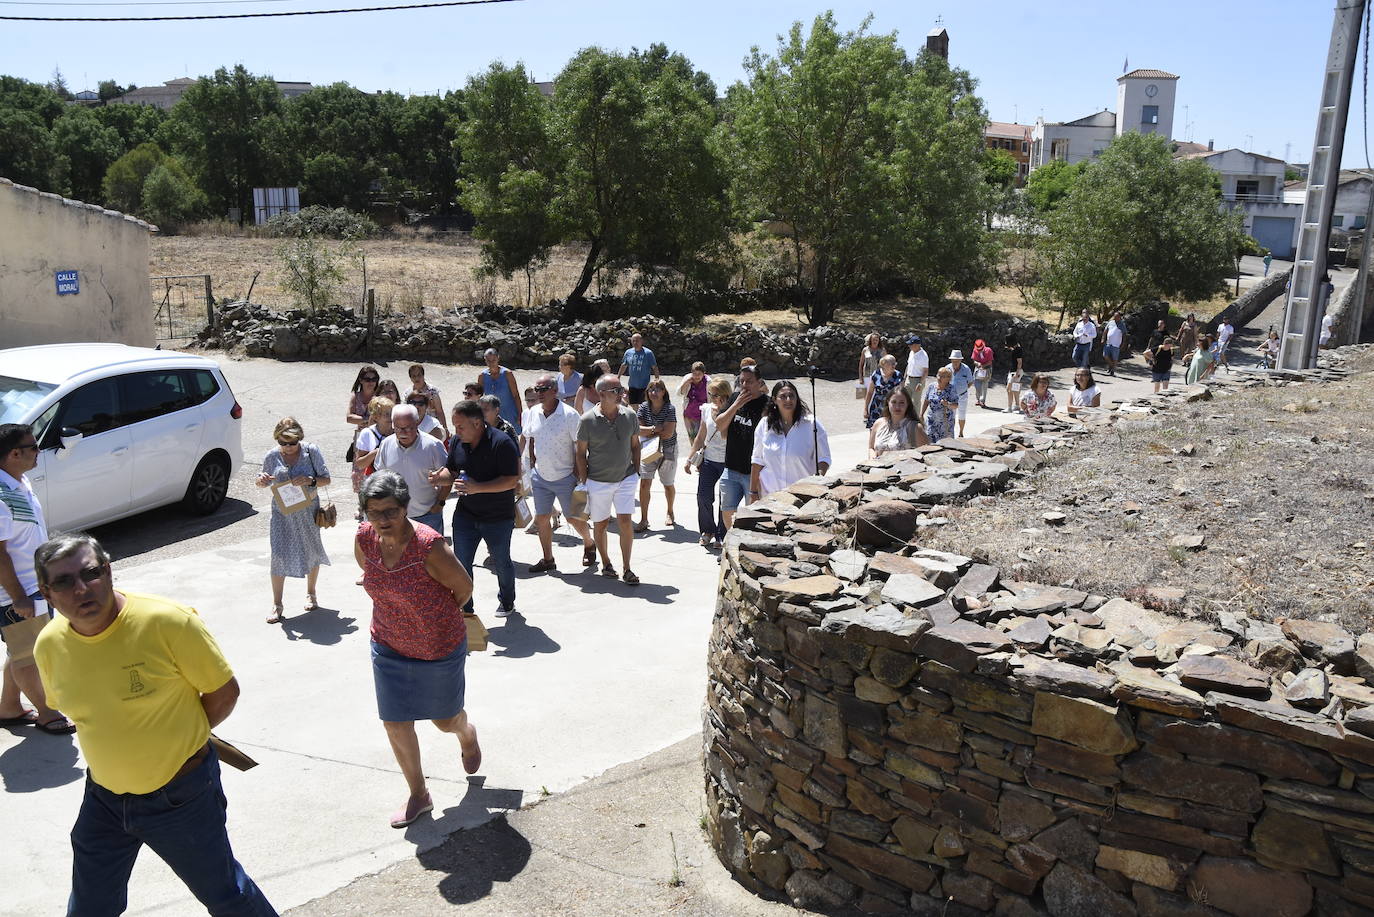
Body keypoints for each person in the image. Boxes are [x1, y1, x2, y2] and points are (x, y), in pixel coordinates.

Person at [33, 533, 278, 915]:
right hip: (104, 797)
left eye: (90, 573)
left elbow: (223, 692)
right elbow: (82, 714)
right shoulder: (48, 646)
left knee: (228, 897)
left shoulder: (168, 622)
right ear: (47, 594)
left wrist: (178, 742)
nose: (82, 589)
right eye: (64, 582)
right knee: (90, 907)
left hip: (179, 796)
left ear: (109, 571)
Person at [354, 473, 482, 829]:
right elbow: (369, 574)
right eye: (373, 511)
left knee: (444, 721)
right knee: (395, 723)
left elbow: (463, 588)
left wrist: (431, 616)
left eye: (390, 511)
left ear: (406, 507)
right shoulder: (365, 538)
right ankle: (419, 794)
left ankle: (466, 733)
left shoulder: (429, 546)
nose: (381, 519)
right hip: (388, 643)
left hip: (437, 645)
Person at [0, 424, 73, 735]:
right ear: (14, 454)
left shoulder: (18, 481)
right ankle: (46, 712)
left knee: (22, 650)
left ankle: (9, 707)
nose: (39, 451)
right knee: (29, 655)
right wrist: (18, 597)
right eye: (33, 447)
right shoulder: (1, 495)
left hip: (33, 587)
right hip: (15, 592)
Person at [428, 400, 520, 617]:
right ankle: (466, 608)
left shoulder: (502, 442)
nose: (456, 431)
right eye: (454, 426)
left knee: (501, 561)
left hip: (498, 517)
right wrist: (437, 478)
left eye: (460, 426)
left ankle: (507, 601)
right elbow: (451, 471)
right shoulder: (458, 443)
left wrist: (478, 488)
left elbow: (511, 481)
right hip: (466, 515)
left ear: (477, 423)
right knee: (461, 563)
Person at [254, 418, 331, 624]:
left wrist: (310, 480)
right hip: (282, 512)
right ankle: (277, 604)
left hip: (307, 510)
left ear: (300, 439)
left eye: (292, 443)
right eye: (283, 443)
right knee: (278, 555)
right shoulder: (272, 455)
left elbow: (326, 478)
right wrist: (261, 481)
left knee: (312, 549)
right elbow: (262, 480)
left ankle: (311, 593)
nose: (287, 447)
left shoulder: (310, 452)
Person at [524, 374, 596, 572]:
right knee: (542, 518)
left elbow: (580, 448)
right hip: (540, 476)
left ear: (555, 391)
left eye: (543, 389)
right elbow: (531, 439)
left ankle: (589, 543)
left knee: (573, 518)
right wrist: (532, 467)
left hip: (565, 477)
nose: (538, 393)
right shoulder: (533, 412)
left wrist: (581, 478)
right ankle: (548, 559)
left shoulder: (570, 415)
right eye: (536, 389)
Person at [576, 375, 642, 584]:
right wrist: (585, 480)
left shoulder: (630, 416)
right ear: (602, 394)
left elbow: (635, 445)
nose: (622, 393)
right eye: (616, 390)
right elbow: (580, 453)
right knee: (601, 524)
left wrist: (636, 471)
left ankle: (627, 568)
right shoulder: (587, 419)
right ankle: (605, 563)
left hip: (626, 478)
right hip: (598, 481)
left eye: (621, 389)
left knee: (625, 522)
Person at [374, 405, 450, 535]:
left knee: (433, 555)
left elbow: (448, 478)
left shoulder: (433, 445)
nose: (404, 432)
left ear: (416, 423)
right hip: (396, 517)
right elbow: (381, 477)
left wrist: (439, 504)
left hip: (427, 516)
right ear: (393, 425)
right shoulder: (386, 444)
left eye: (408, 428)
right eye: (399, 428)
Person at [750, 381, 830, 499]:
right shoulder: (764, 425)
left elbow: (824, 458)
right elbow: (757, 461)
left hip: (802, 497)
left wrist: (817, 481)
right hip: (770, 496)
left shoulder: (812, 424)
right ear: (774, 400)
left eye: (791, 395)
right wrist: (753, 493)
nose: (788, 400)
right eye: (783, 396)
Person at [715, 365, 768, 530]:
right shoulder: (735, 398)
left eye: (749, 381)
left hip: (754, 474)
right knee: (727, 511)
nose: (745, 385)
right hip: (730, 469)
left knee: (752, 515)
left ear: (759, 383)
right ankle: (731, 545)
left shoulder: (768, 404)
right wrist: (735, 406)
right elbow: (719, 424)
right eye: (742, 381)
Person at [685, 378, 732, 548]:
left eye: (714, 394)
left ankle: (721, 534)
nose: (711, 397)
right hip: (709, 461)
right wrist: (690, 459)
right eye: (710, 393)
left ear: (725, 395)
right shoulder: (706, 410)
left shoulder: (733, 411)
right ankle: (707, 530)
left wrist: (725, 410)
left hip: (728, 462)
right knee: (703, 497)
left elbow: (727, 434)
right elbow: (700, 437)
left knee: (724, 500)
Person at [635, 378, 678, 532]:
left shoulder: (670, 408)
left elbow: (667, 434)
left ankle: (670, 511)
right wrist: (656, 428)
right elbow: (637, 429)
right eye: (651, 389)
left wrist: (649, 430)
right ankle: (644, 519)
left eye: (657, 389)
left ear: (664, 392)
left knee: (667, 484)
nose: (654, 392)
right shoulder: (643, 407)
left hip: (667, 449)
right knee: (645, 483)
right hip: (648, 449)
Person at [353, 396, 396, 492]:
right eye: (386, 414)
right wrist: (376, 452)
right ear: (376, 417)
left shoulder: (398, 431)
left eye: (391, 413)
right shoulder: (367, 433)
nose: (390, 417)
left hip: (395, 481)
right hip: (375, 484)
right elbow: (360, 464)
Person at [869, 387, 923, 457]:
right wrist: (872, 459)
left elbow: (925, 455)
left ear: (908, 404)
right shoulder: (878, 423)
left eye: (902, 403)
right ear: (888, 402)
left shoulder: (915, 428)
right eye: (894, 402)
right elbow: (871, 448)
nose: (897, 407)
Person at [478, 348, 522, 435]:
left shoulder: (507, 374)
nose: (491, 363)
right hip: (491, 414)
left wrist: (520, 414)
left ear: (498, 358)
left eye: (493, 360)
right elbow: (480, 397)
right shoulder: (482, 376)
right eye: (488, 360)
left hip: (509, 412)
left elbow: (516, 395)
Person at [935, 350, 974, 437]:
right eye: (953, 361)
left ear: (960, 360)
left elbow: (970, 382)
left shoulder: (966, 369)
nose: (955, 362)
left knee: (962, 414)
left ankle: (961, 432)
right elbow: (941, 380)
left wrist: (963, 388)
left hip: (962, 395)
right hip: (950, 395)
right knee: (950, 415)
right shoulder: (947, 368)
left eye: (956, 361)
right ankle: (949, 433)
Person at [347, 365, 381, 463]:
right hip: (360, 436)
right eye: (367, 379)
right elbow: (349, 418)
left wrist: (361, 420)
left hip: (377, 436)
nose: (371, 382)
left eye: (374, 379)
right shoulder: (355, 396)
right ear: (361, 380)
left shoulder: (380, 397)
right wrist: (370, 420)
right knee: (358, 467)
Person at [618, 333, 660, 407]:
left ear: (642, 341)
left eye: (637, 341)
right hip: (632, 384)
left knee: (643, 405)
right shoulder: (628, 352)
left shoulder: (648, 353)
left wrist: (657, 379)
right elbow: (624, 365)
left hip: (644, 385)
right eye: (633, 341)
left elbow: (654, 367)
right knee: (633, 404)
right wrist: (618, 377)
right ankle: (637, 417)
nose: (635, 343)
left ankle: (641, 417)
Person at [407, 364, 447, 440]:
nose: (417, 378)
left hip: (432, 427)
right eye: (413, 376)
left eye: (419, 375)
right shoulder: (408, 393)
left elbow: (439, 411)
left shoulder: (433, 391)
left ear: (423, 376)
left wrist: (444, 427)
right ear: (410, 378)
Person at [864, 354, 904, 429]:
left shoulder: (898, 375)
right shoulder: (876, 374)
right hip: (876, 406)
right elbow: (869, 393)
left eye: (894, 363)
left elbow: (902, 395)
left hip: (892, 407)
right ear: (884, 364)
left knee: (890, 430)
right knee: (874, 429)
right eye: (891, 363)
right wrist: (865, 409)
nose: (893, 365)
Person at [923, 368, 959, 443]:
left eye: (943, 376)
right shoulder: (931, 386)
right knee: (930, 442)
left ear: (948, 378)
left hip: (945, 423)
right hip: (931, 421)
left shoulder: (951, 389)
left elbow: (956, 405)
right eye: (939, 375)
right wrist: (921, 414)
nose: (939, 377)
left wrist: (948, 404)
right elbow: (926, 401)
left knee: (946, 444)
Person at [677, 362, 710, 443]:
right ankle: (694, 455)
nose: (697, 376)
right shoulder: (688, 378)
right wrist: (686, 383)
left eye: (699, 374)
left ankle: (700, 455)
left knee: (700, 439)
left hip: (702, 415)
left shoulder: (709, 382)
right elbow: (679, 393)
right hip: (688, 414)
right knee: (692, 438)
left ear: (704, 373)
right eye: (694, 374)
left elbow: (711, 398)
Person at [903, 336, 929, 410]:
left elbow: (925, 371)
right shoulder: (911, 352)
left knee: (915, 402)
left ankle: (915, 420)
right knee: (906, 400)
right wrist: (904, 379)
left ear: (917, 345)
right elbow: (908, 366)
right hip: (909, 379)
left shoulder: (923, 355)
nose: (909, 346)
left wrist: (920, 383)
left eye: (911, 345)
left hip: (918, 380)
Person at [970, 338, 995, 408]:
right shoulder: (975, 350)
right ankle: (978, 399)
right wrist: (977, 364)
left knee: (984, 386)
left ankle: (982, 401)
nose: (979, 350)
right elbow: (974, 360)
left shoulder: (988, 350)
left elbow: (990, 362)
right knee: (977, 385)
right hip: (978, 369)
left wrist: (983, 365)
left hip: (987, 370)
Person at [1003, 334, 1025, 412]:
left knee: (1009, 389)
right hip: (1013, 371)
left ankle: (1009, 407)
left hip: (1015, 372)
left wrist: (1017, 372)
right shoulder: (1017, 349)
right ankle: (1016, 406)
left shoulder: (1018, 350)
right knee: (1015, 389)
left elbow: (1019, 362)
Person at [1103, 312, 1127, 376]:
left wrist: (1123, 343)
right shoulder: (1110, 322)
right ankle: (1111, 366)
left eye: (1117, 316)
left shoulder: (1122, 325)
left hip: (1116, 344)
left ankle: (1112, 370)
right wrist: (1103, 338)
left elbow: (1124, 334)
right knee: (1105, 355)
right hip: (1108, 342)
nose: (1116, 318)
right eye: (1115, 316)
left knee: (1115, 358)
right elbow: (1105, 331)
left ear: (1119, 317)